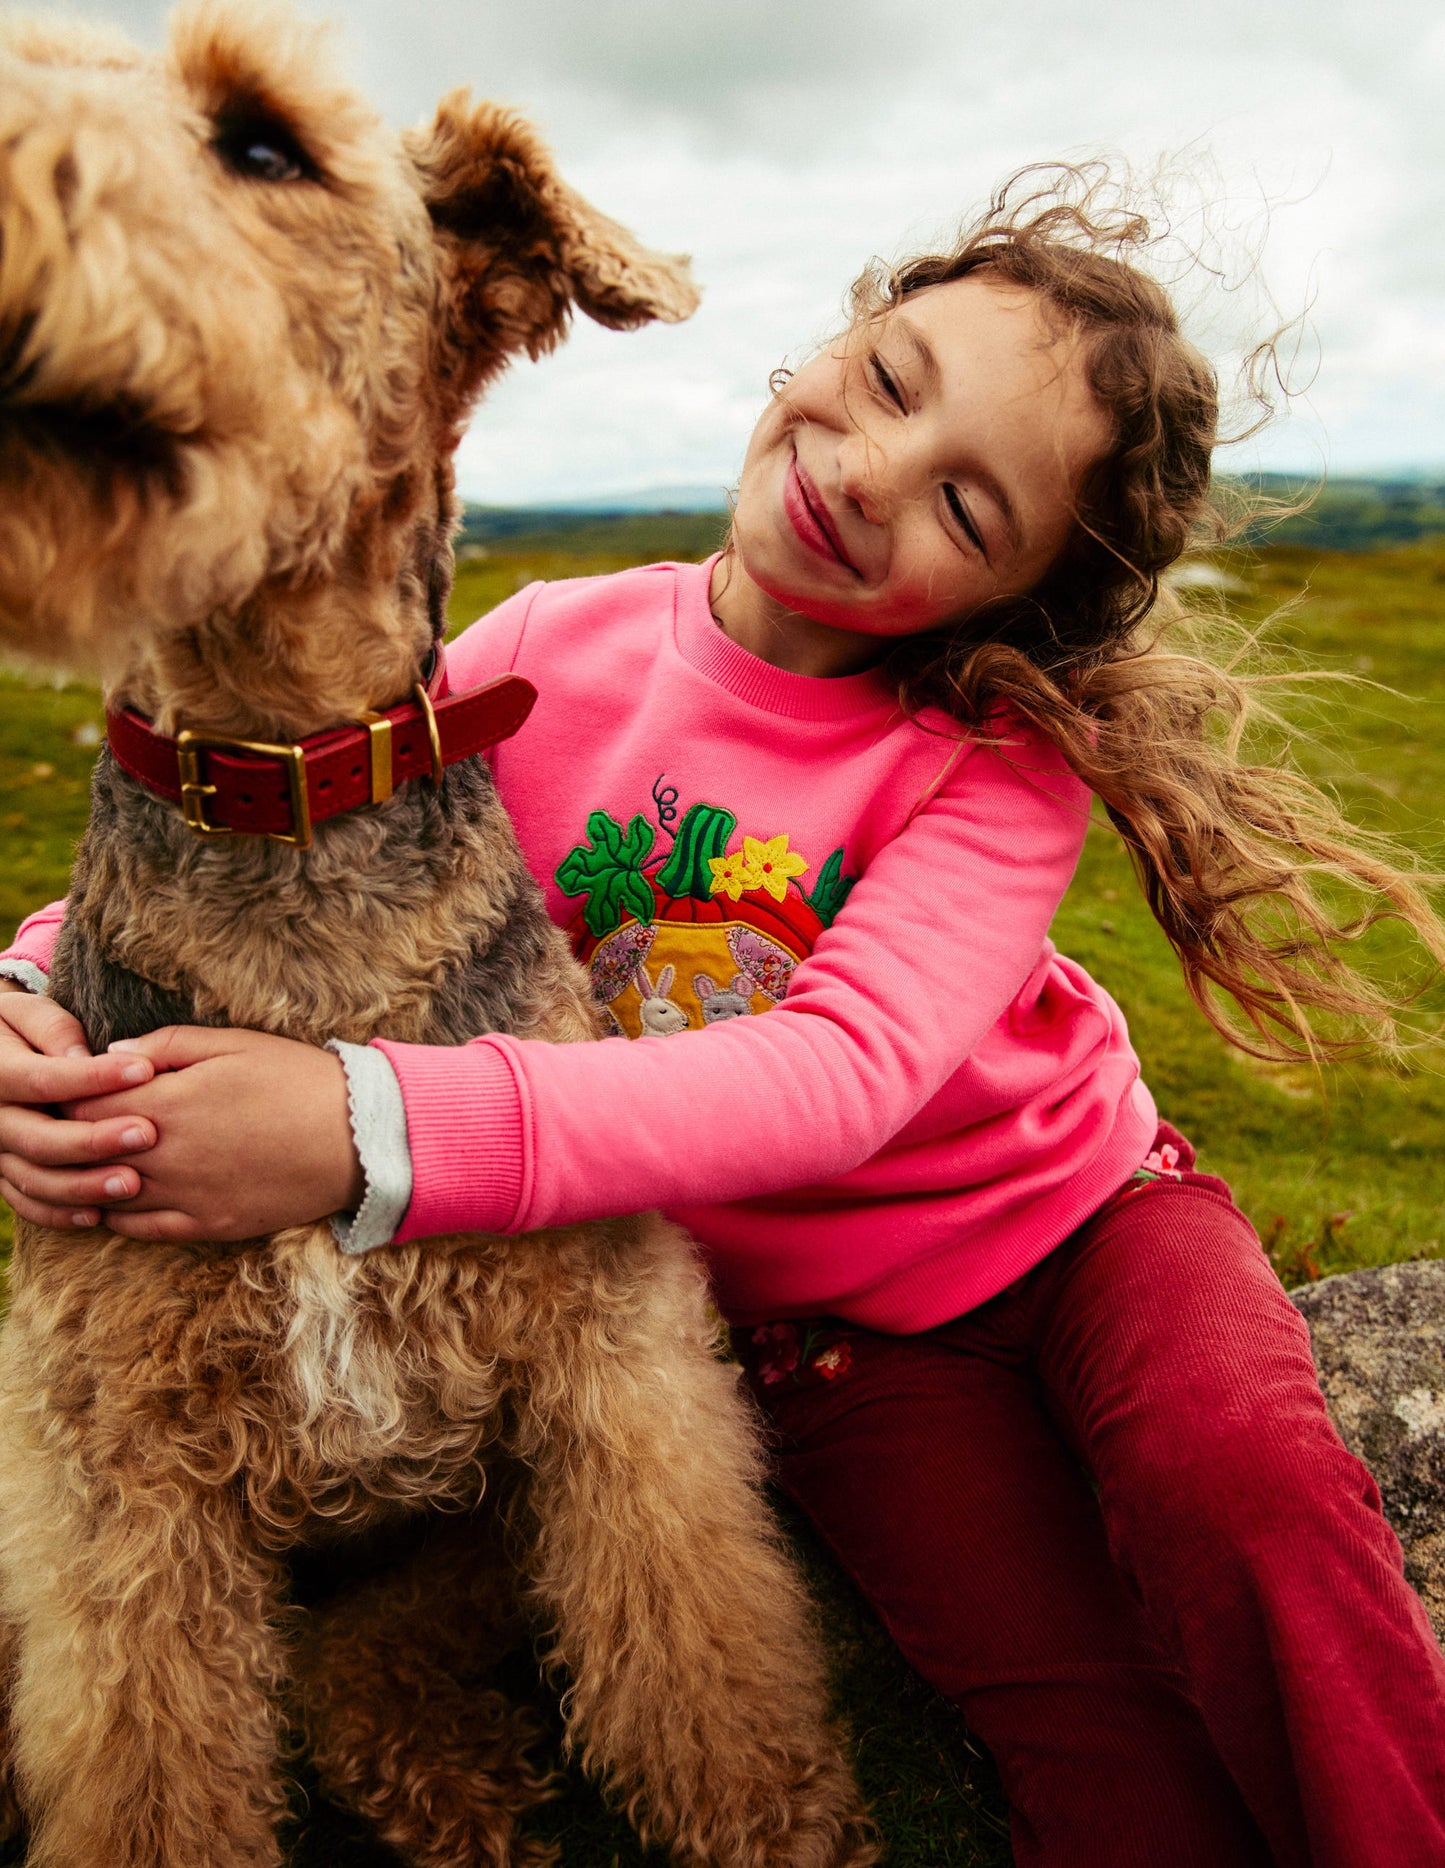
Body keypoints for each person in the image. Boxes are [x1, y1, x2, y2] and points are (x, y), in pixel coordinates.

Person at [1, 173, 1443, 1866]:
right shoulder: (548, 645)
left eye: (969, 510)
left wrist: (360, 1127)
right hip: (829, 1342)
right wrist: (34, 979)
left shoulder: (991, 767)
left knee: (1244, 1487)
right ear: (833, 340)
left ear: (1015, 598)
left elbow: (834, 1080)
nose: (868, 471)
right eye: (893, 380)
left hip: (1086, 1224)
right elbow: (285, 824)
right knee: (1071, 1713)